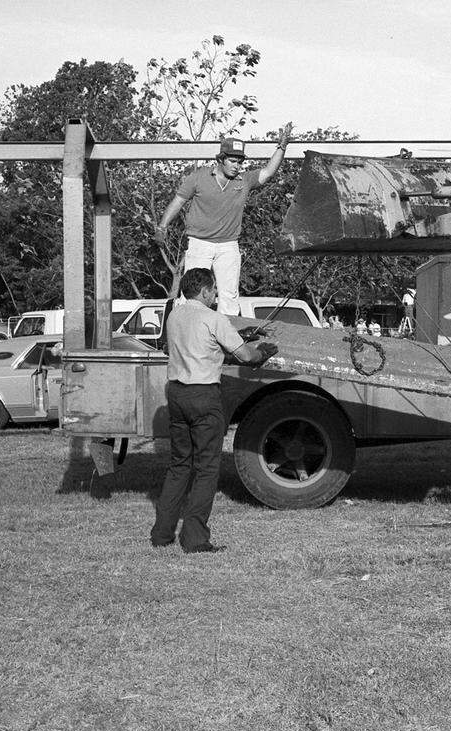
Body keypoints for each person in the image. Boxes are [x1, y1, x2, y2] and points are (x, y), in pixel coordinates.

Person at [150, 268, 278, 553]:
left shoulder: (175, 316)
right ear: (205, 291)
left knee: (179, 466)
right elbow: (245, 356)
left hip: (177, 394)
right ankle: (194, 538)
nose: (215, 294)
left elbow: (202, 343)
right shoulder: (214, 318)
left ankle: (161, 534)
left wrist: (237, 335)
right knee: (206, 468)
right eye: (213, 290)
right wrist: (263, 352)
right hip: (204, 396)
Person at [153, 123, 294, 316]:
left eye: (240, 162)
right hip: (199, 243)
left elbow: (268, 172)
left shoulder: (244, 180)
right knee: (191, 294)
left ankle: (226, 332)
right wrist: (162, 227)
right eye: (233, 161)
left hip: (228, 245)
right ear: (220, 159)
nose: (237, 166)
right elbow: (178, 202)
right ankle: (187, 328)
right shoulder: (198, 177)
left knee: (229, 295)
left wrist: (282, 147)